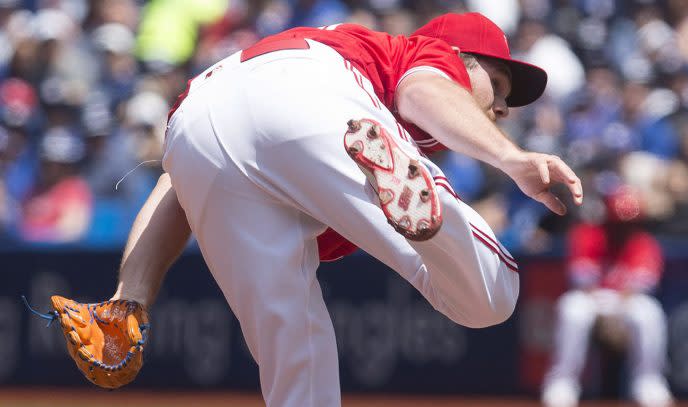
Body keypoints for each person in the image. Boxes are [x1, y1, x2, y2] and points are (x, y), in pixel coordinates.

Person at [110, 13, 583, 406]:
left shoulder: (338, 48)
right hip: (313, 90)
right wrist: (511, 158)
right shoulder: (415, 53)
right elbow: (422, 90)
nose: (502, 107)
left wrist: (131, 296)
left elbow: (176, 188)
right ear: (459, 60)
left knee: (296, 357)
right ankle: (423, 207)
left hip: (198, 123)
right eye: (496, 84)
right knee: (493, 295)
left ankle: (417, 206)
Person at [542, 186, 672, 407]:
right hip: (592, 299)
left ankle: (648, 380)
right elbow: (583, 284)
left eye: (629, 224)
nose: (623, 229)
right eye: (618, 223)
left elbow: (639, 288)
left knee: (649, 312)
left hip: (626, 301)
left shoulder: (643, 242)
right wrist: (605, 318)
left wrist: (616, 317)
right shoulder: (588, 234)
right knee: (572, 309)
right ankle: (563, 381)